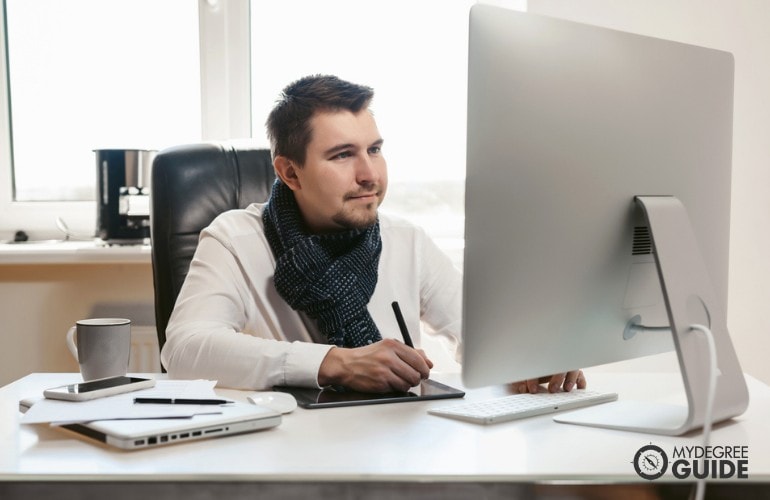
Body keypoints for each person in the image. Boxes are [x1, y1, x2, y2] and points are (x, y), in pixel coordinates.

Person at [161, 74, 586, 394]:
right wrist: (333, 362)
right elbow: (183, 351)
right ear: (290, 172)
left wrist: (528, 359)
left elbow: (482, 337)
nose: (370, 175)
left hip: (396, 445)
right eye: (343, 155)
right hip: (284, 456)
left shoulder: (406, 240)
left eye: (375, 150)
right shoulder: (235, 239)